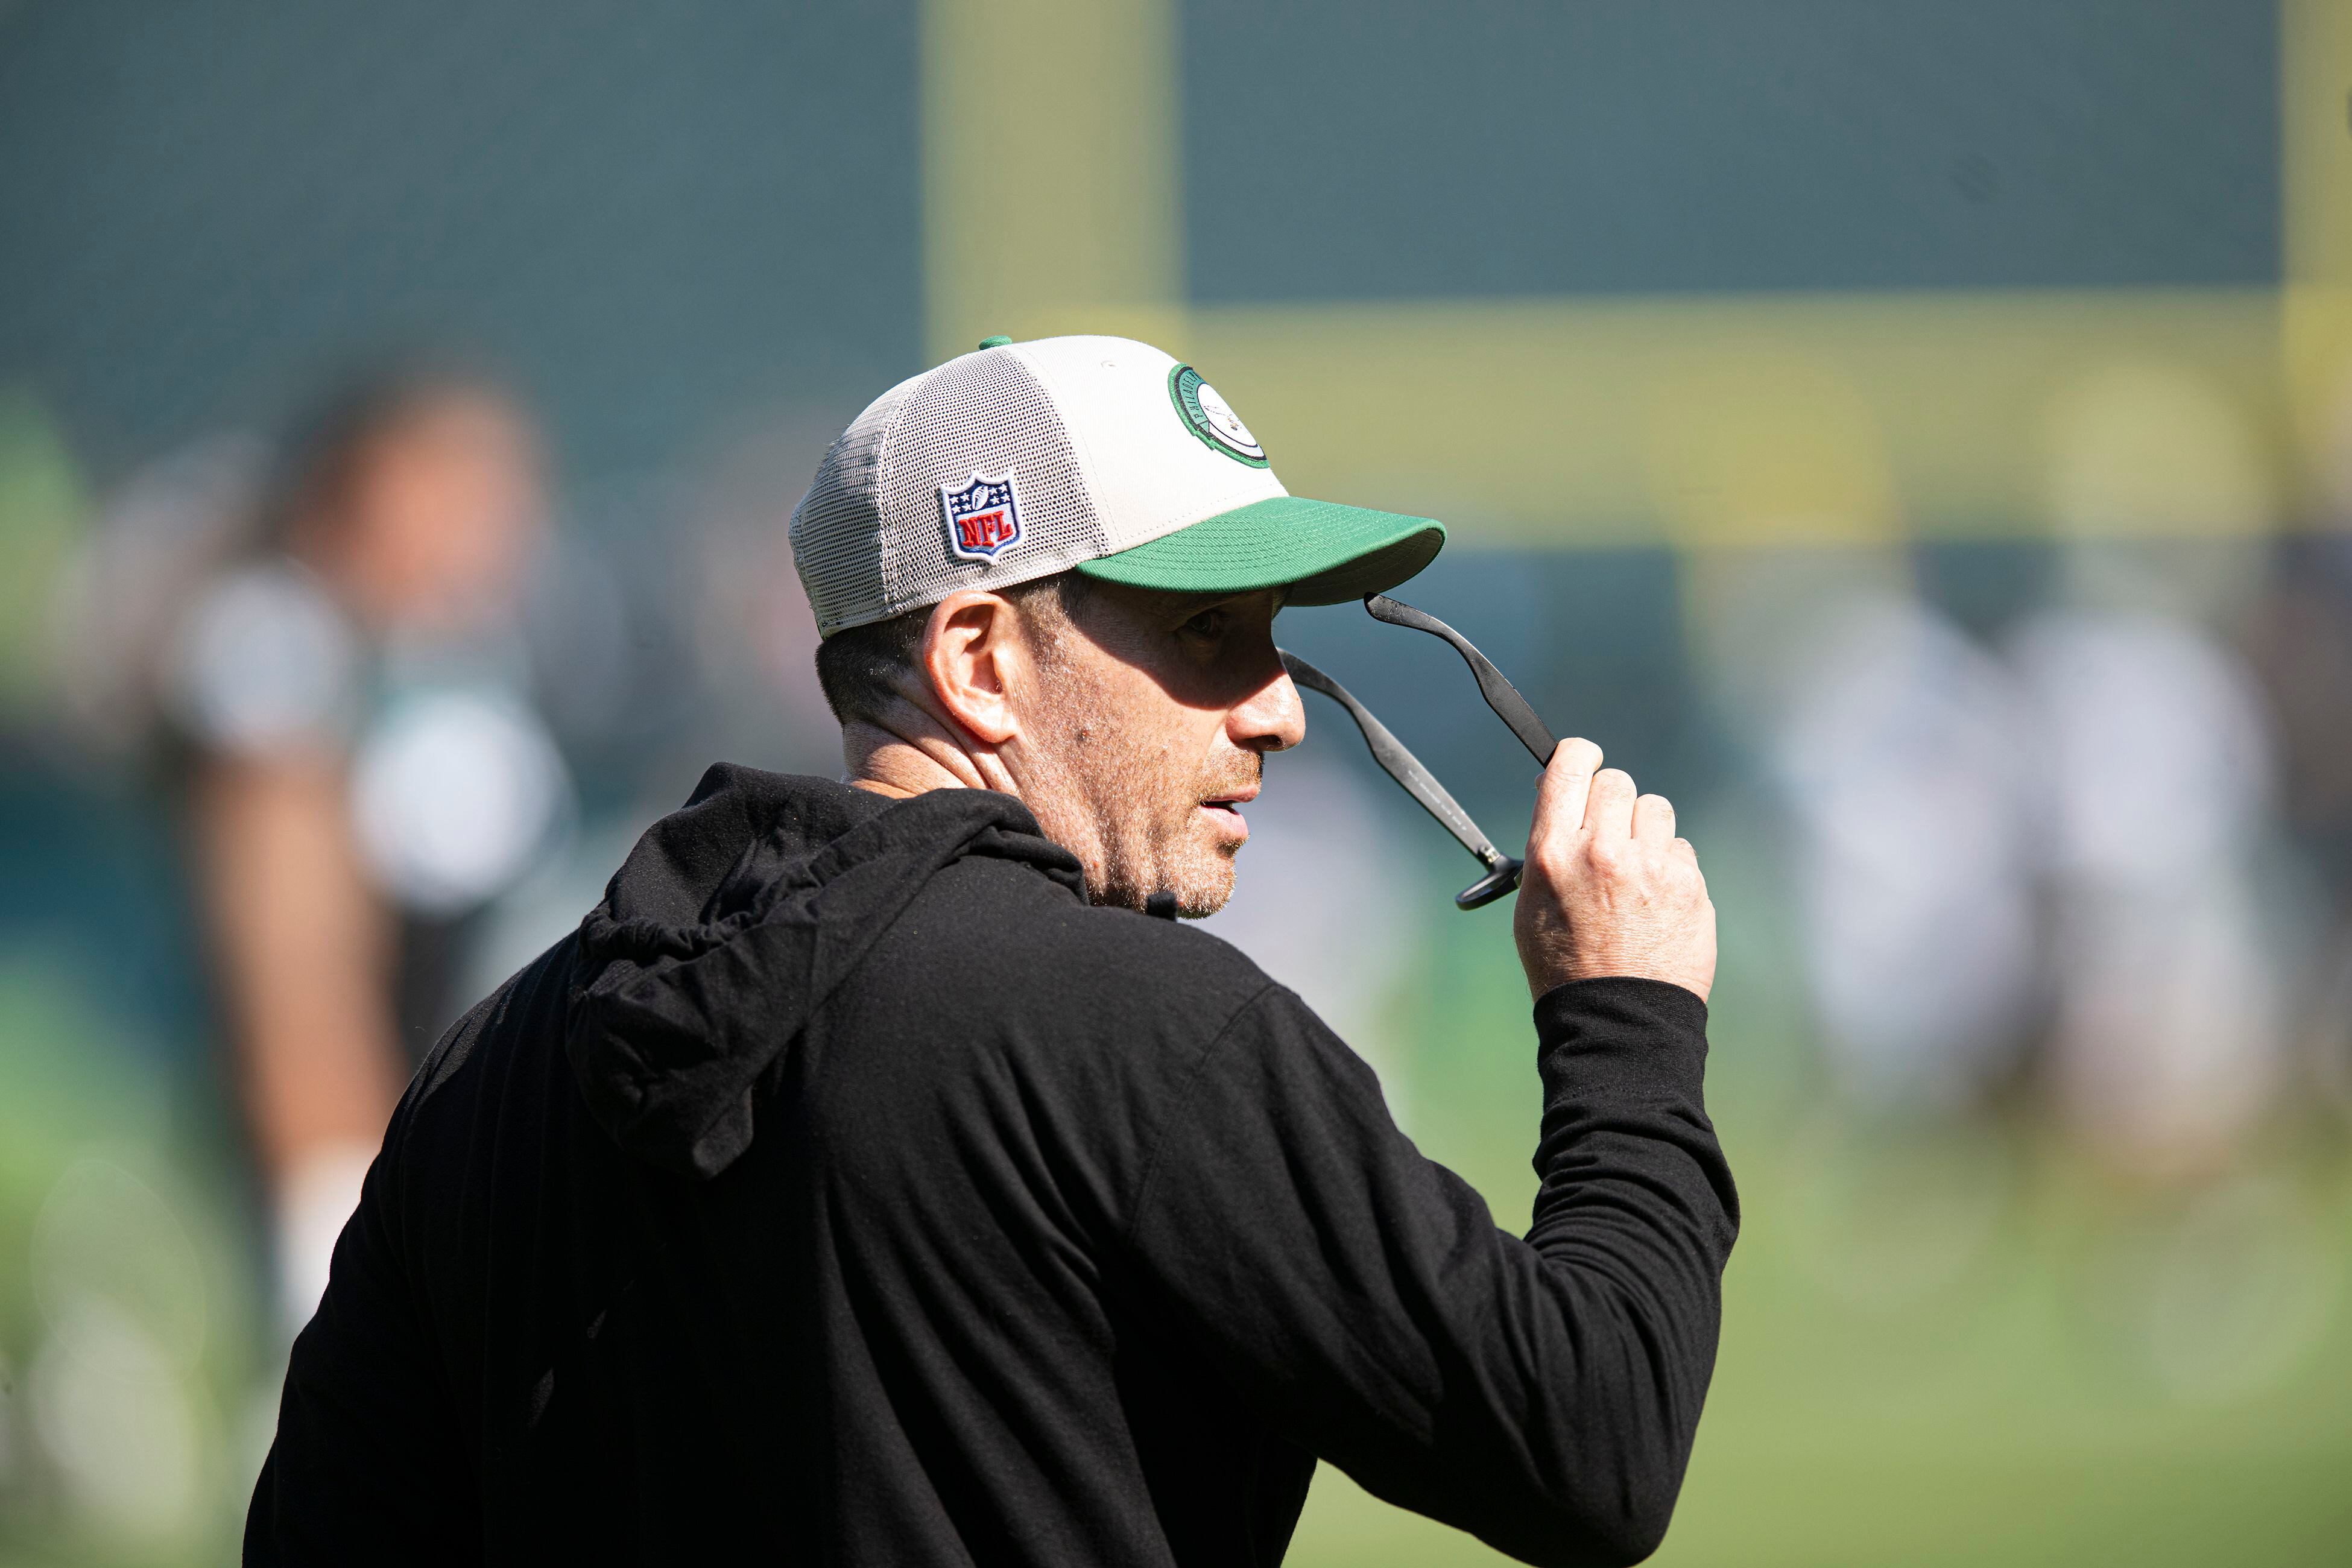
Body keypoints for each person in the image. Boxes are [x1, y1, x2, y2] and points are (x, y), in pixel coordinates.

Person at [246, 336, 1735, 1567]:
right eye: (1209, 631)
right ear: (976, 661)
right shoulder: (1139, 1028)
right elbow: (1589, 1442)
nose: (1278, 707)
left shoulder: (498, 1058)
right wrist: (1628, 1020)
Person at [163, 367, 566, 1332]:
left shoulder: (458, 652)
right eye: (453, 491)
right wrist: (347, 1213)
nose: (487, 529)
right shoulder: (280, 656)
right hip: (356, 1175)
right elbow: (294, 988)